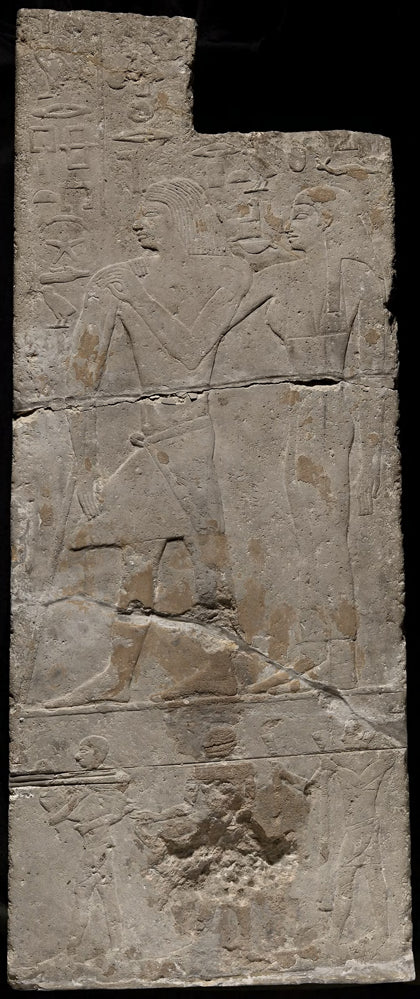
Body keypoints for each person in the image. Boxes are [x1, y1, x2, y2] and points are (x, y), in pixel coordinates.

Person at [48, 178, 250, 706]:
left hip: (191, 436)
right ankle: (120, 677)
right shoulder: (115, 279)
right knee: (137, 555)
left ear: (182, 217)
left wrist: (135, 298)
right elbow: (81, 374)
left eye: (151, 212)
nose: (137, 223)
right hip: (150, 437)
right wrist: (86, 464)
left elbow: (191, 350)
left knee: (207, 555)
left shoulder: (227, 272)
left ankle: (218, 669)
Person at [231, 185, 386, 692]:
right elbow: (218, 321)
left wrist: (374, 452)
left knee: (326, 538)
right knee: (304, 537)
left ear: (327, 221)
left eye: (299, 215)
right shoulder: (278, 275)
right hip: (300, 416)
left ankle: (339, 659)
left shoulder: (355, 278)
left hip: (327, 417)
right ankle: (316, 651)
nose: (287, 226)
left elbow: (375, 368)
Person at [40, 736, 131, 961]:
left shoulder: (111, 786)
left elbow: (116, 810)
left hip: (98, 850)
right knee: (100, 898)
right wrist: (76, 797)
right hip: (94, 849)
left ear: (97, 754)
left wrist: (88, 823)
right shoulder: (81, 787)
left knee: (90, 897)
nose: (76, 757)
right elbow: (54, 818)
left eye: (83, 751)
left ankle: (78, 951)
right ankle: (110, 948)